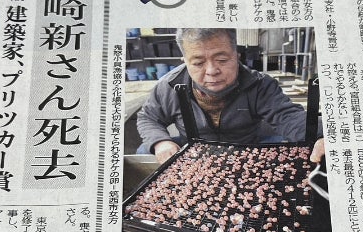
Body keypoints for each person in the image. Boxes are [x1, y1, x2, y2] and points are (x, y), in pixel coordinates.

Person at [136, 27, 324, 163]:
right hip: (194, 150)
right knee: (145, 149)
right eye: (198, 63)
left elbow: (288, 117)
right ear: (185, 61)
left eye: (222, 60)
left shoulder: (259, 84)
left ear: (236, 56)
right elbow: (149, 117)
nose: (211, 71)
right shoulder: (169, 85)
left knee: (291, 148)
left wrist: (323, 135)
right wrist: (161, 142)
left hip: (247, 147)